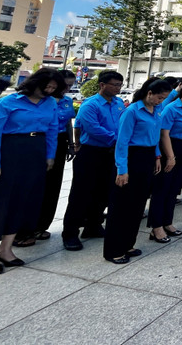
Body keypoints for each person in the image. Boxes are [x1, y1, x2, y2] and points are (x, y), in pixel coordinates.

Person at [0, 69, 65, 275]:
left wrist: (49, 155)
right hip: (9, 151)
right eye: (47, 86)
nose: (50, 91)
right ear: (35, 83)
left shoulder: (50, 104)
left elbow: (52, 130)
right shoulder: (8, 102)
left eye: (54, 88)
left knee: (23, 200)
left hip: (35, 151)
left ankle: (6, 249)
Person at [103, 77, 171, 263]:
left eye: (164, 98)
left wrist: (157, 156)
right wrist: (122, 169)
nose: (161, 101)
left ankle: (128, 244)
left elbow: (155, 136)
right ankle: (114, 249)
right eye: (159, 97)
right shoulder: (132, 111)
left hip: (148, 158)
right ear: (149, 93)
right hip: (132, 158)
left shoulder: (156, 111)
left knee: (138, 205)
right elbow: (122, 142)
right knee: (122, 206)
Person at [62, 70, 126, 252]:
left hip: (111, 153)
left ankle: (93, 225)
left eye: (119, 85)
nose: (117, 88)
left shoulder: (119, 103)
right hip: (91, 152)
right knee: (81, 193)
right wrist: (118, 139)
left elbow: (123, 124)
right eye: (114, 84)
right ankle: (70, 233)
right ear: (102, 85)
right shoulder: (90, 105)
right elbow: (93, 128)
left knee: (104, 191)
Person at [15, 69, 77, 246]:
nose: (66, 89)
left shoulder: (66, 101)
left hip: (58, 142)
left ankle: (42, 225)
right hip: (37, 142)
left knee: (52, 186)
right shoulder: (41, 100)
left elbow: (67, 123)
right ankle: (23, 228)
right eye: (65, 85)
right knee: (33, 185)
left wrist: (71, 144)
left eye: (70, 86)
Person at [147, 79, 182, 243]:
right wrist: (170, 157)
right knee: (162, 189)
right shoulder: (171, 108)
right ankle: (156, 227)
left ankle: (167, 222)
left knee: (174, 188)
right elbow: (164, 134)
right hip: (170, 147)